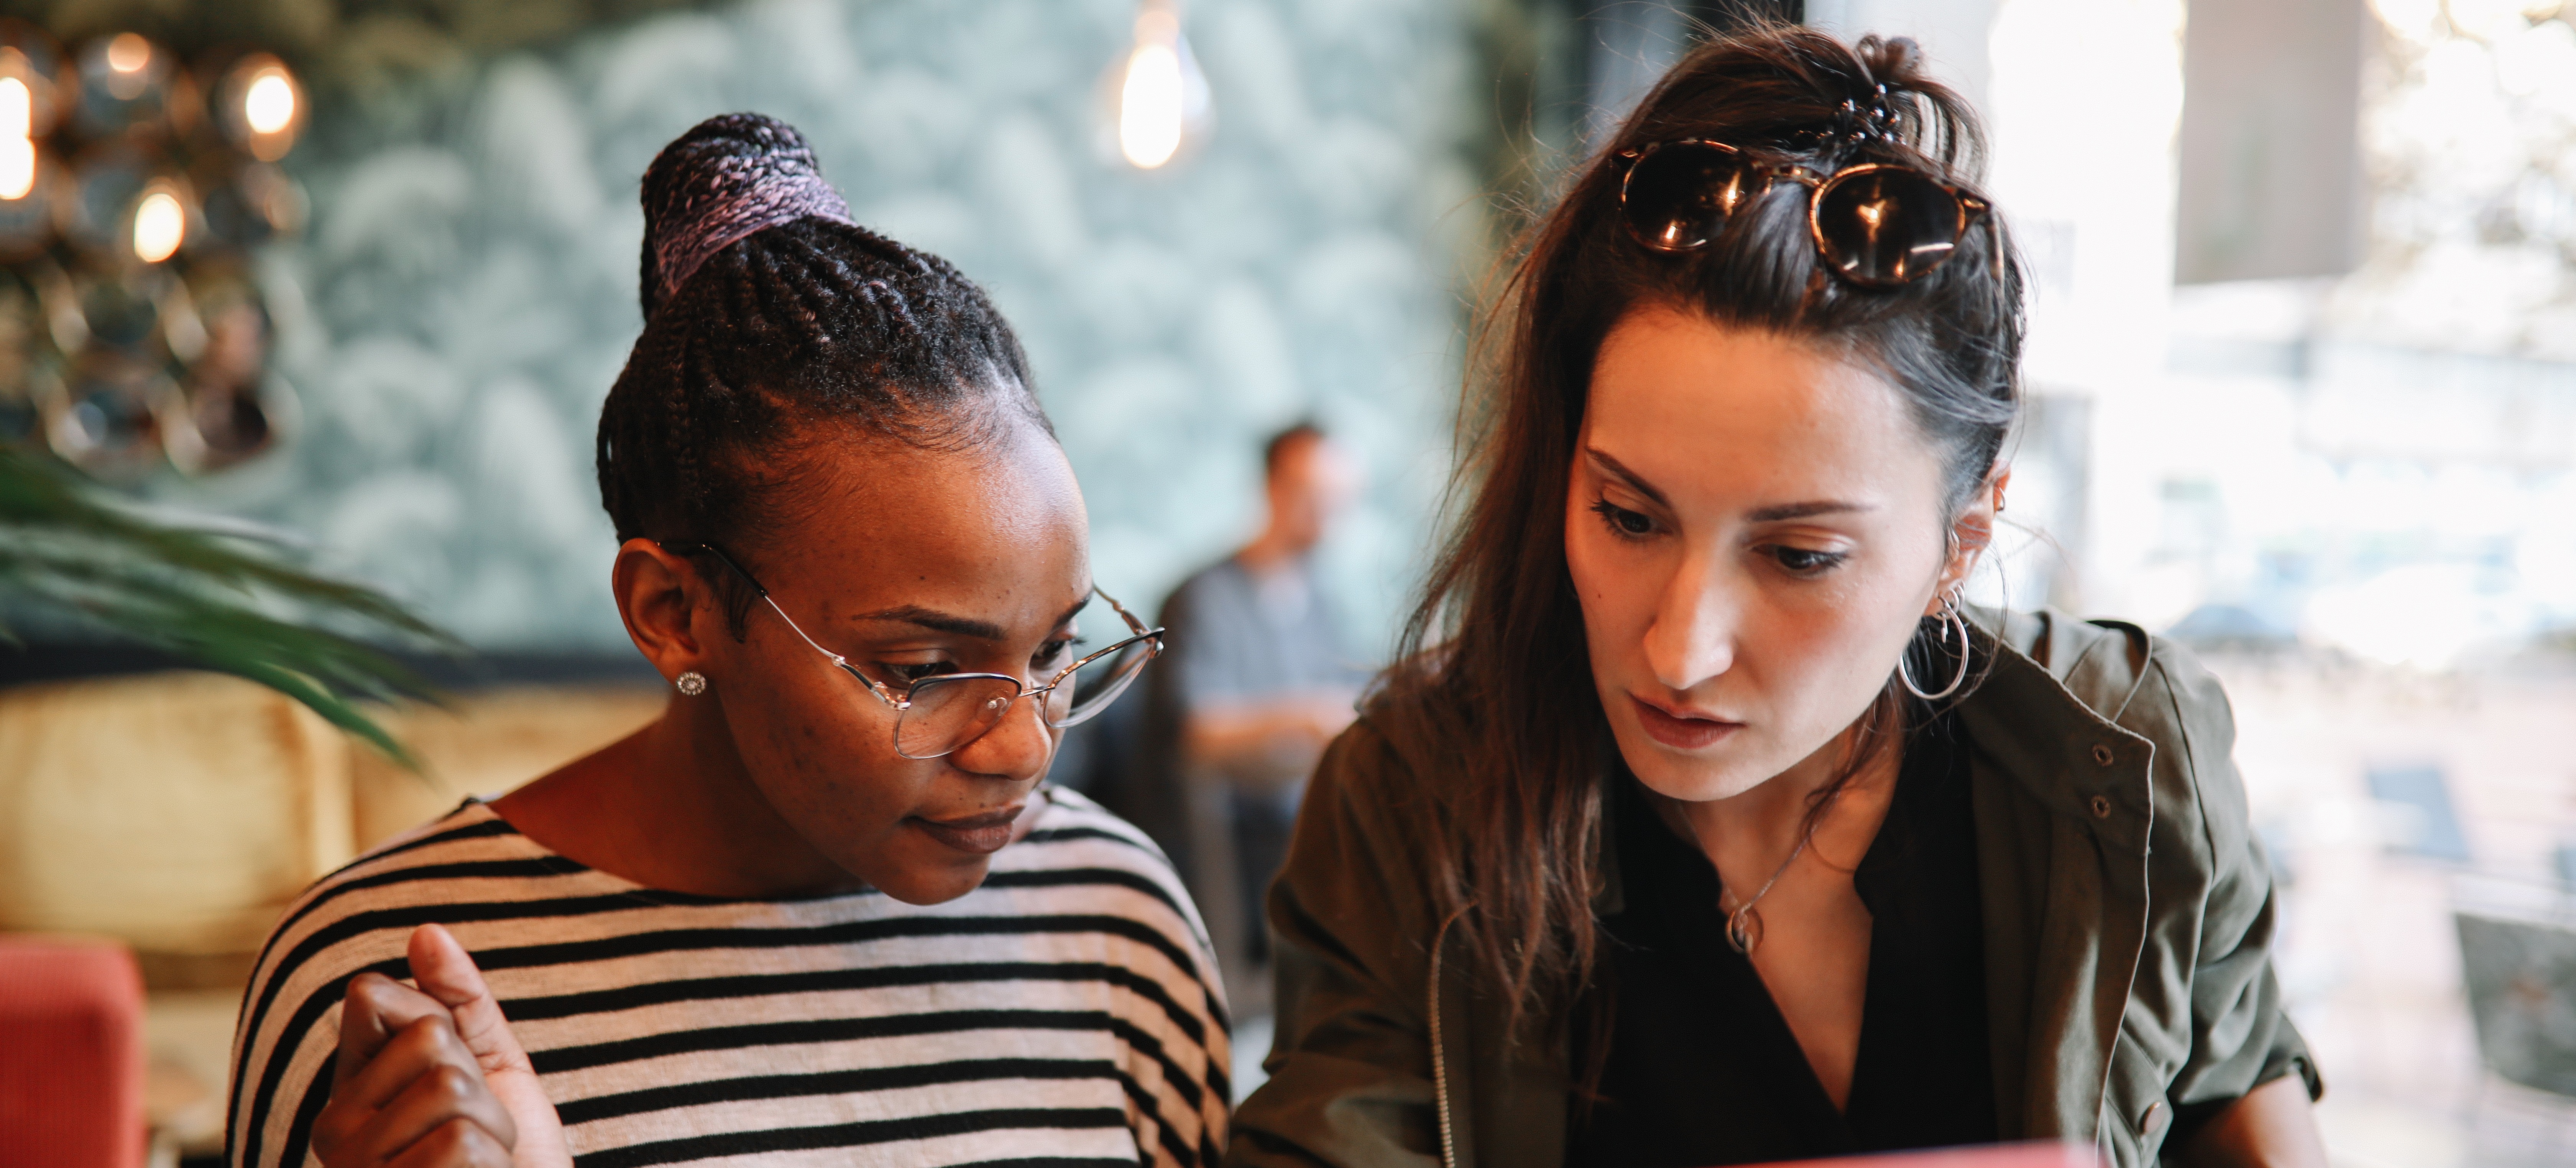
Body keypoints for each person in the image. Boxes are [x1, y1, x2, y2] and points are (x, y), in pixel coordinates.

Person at [1230, 26, 2326, 1168]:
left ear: (1962, 540)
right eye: (1629, 516)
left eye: (1799, 555)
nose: (1680, 647)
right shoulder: (1414, 805)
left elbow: (2241, 1102)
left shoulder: (2128, 760)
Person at [225, 114, 1229, 1168]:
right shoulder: (392, 997)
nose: (1023, 747)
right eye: (925, 670)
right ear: (674, 612)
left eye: (1055, 650)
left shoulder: (1114, 914)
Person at [1142, 424, 1368, 980]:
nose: (1328, 513)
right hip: (1230, 822)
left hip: (1298, 808)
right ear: (1273, 488)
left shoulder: (1320, 600)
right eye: (1315, 495)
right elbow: (1199, 733)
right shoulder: (1204, 596)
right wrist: (1308, 718)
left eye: (1339, 499)